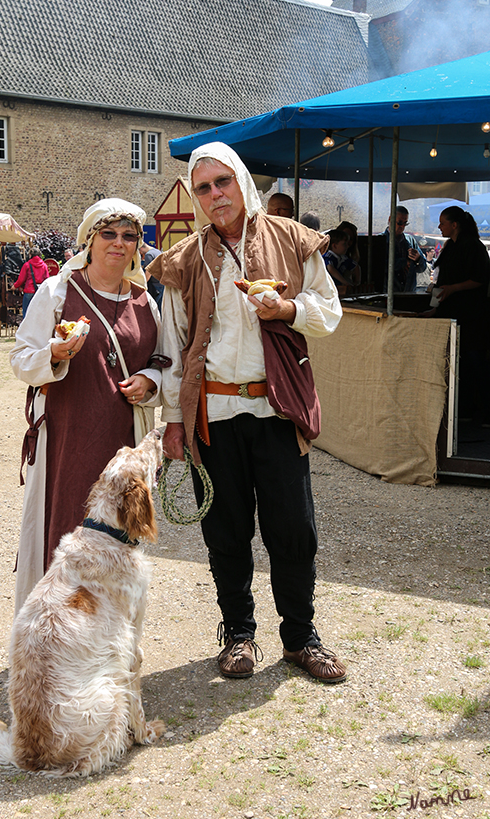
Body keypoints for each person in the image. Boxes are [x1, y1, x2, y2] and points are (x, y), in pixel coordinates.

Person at [148, 142, 345, 683]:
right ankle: (238, 634)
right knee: (225, 530)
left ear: (242, 182)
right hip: (213, 413)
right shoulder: (185, 257)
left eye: (223, 182)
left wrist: (286, 309)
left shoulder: (292, 241)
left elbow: (329, 313)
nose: (216, 195)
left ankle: (301, 638)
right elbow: (174, 340)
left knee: (294, 529)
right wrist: (172, 421)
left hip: (276, 410)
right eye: (204, 187)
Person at [10, 199, 163, 614]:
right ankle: (54, 628)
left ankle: (106, 628)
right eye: (108, 234)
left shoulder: (145, 302)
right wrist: (55, 353)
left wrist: (152, 380)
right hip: (68, 432)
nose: (119, 244)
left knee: (117, 535)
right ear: (89, 240)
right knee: (66, 526)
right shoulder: (58, 291)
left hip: (123, 437)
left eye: (128, 236)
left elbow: (164, 362)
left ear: (138, 245)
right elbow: (22, 358)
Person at [429, 206, 490, 418]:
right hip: (451, 313)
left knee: (475, 361)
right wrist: (434, 308)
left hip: (472, 315)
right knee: (457, 364)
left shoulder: (473, 247)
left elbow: (479, 279)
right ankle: (463, 409)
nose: (439, 226)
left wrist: (453, 288)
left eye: (443, 223)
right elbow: (442, 281)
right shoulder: (450, 247)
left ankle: (484, 410)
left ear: (455, 225)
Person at [384, 205, 427, 292]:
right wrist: (404, 262)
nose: (402, 227)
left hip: (409, 292)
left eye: (405, 223)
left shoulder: (410, 240)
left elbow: (422, 268)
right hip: (388, 293)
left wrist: (418, 259)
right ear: (390, 219)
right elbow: (381, 266)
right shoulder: (381, 240)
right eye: (399, 223)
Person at [13, 246, 50, 317]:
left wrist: (15, 286)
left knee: (26, 311)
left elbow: (21, 279)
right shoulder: (44, 265)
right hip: (40, 291)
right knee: (39, 311)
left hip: (29, 290)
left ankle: (27, 327)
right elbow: (47, 279)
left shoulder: (27, 265)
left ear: (30, 255)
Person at [140, 241, 164, 311]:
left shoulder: (149, 255)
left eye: (140, 253)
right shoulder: (157, 251)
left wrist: (141, 285)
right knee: (160, 309)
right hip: (161, 285)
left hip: (154, 287)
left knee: (153, 309)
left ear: (141, 249)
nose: (141, 255)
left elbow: (148, 274)